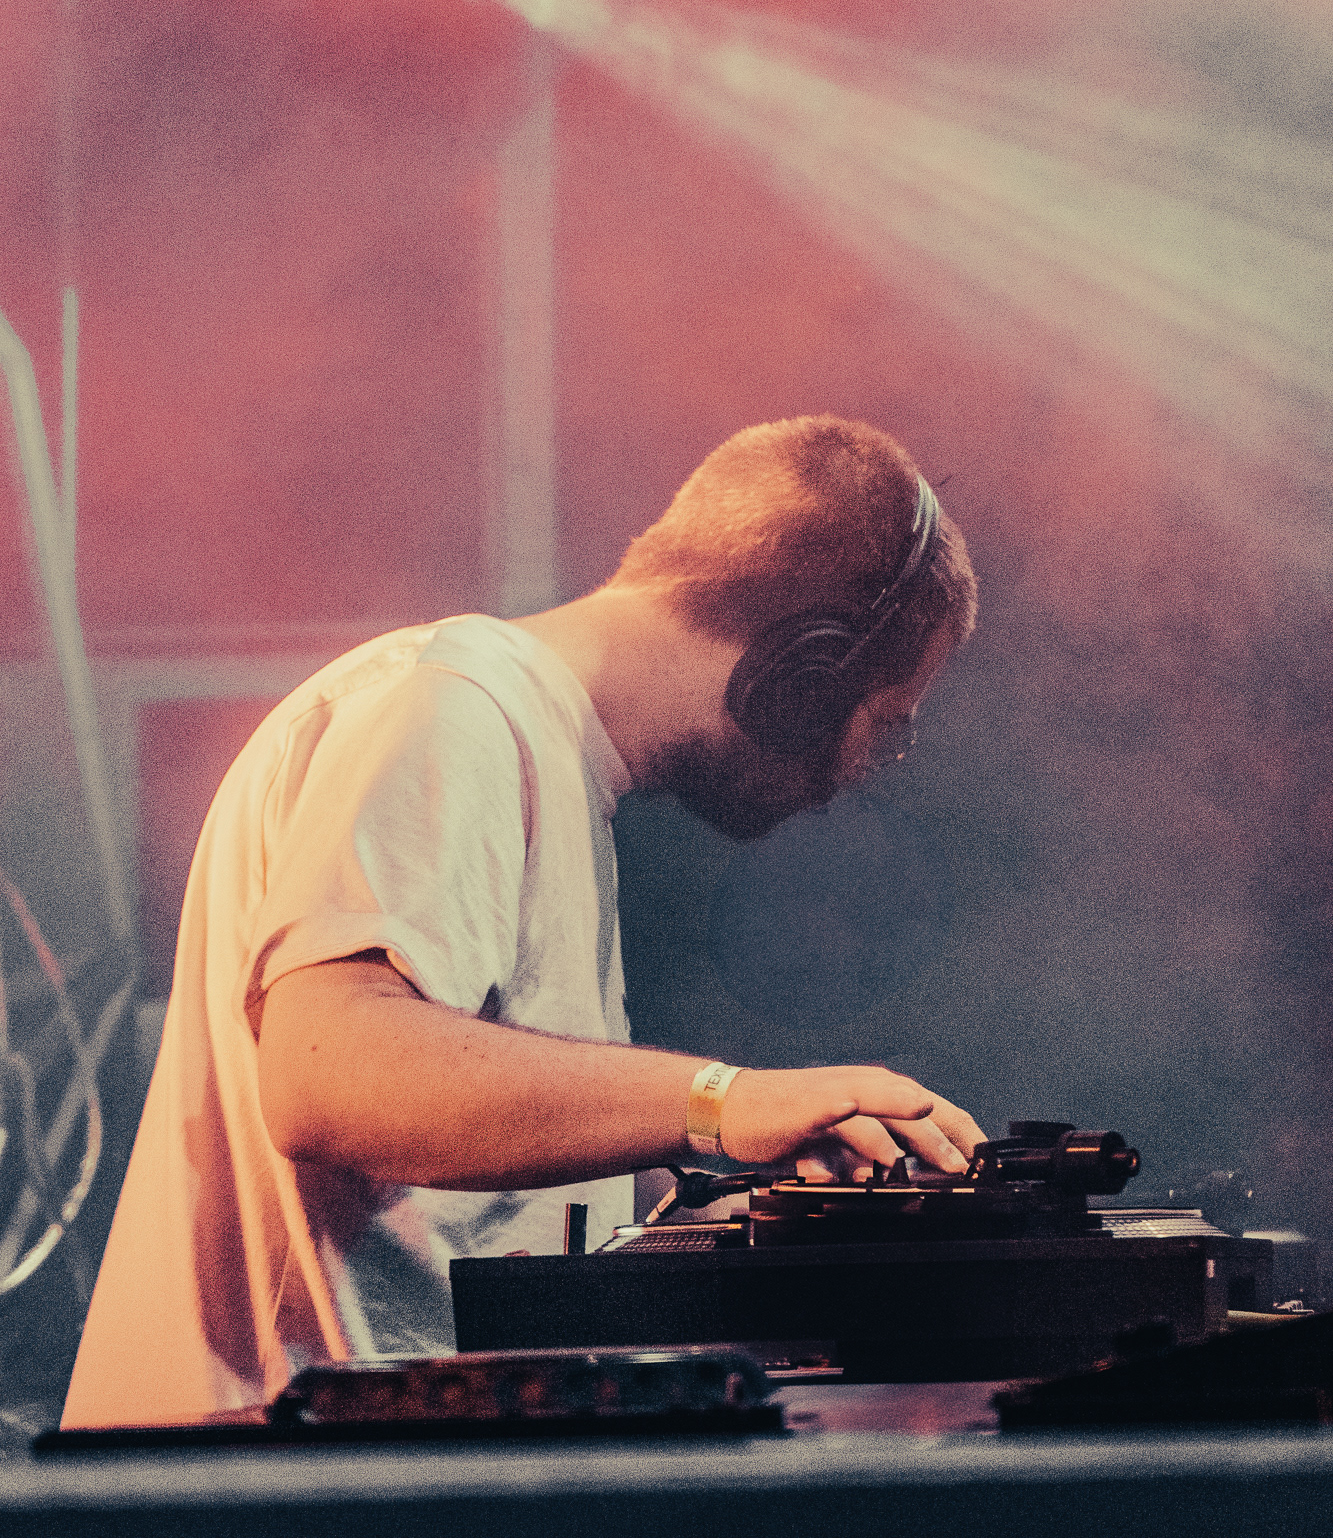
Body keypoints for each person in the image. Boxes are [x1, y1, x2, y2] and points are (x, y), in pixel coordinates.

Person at [62, 415, 982, 1426]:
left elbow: (455, 1193)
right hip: (268, 1480)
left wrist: (720, 1190)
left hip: (341, 1472)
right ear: (803, 672)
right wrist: (724, 1097)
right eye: (885, 728)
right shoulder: (454, 704)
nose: (860, 774)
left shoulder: (539, 757)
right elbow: (328, 1071)